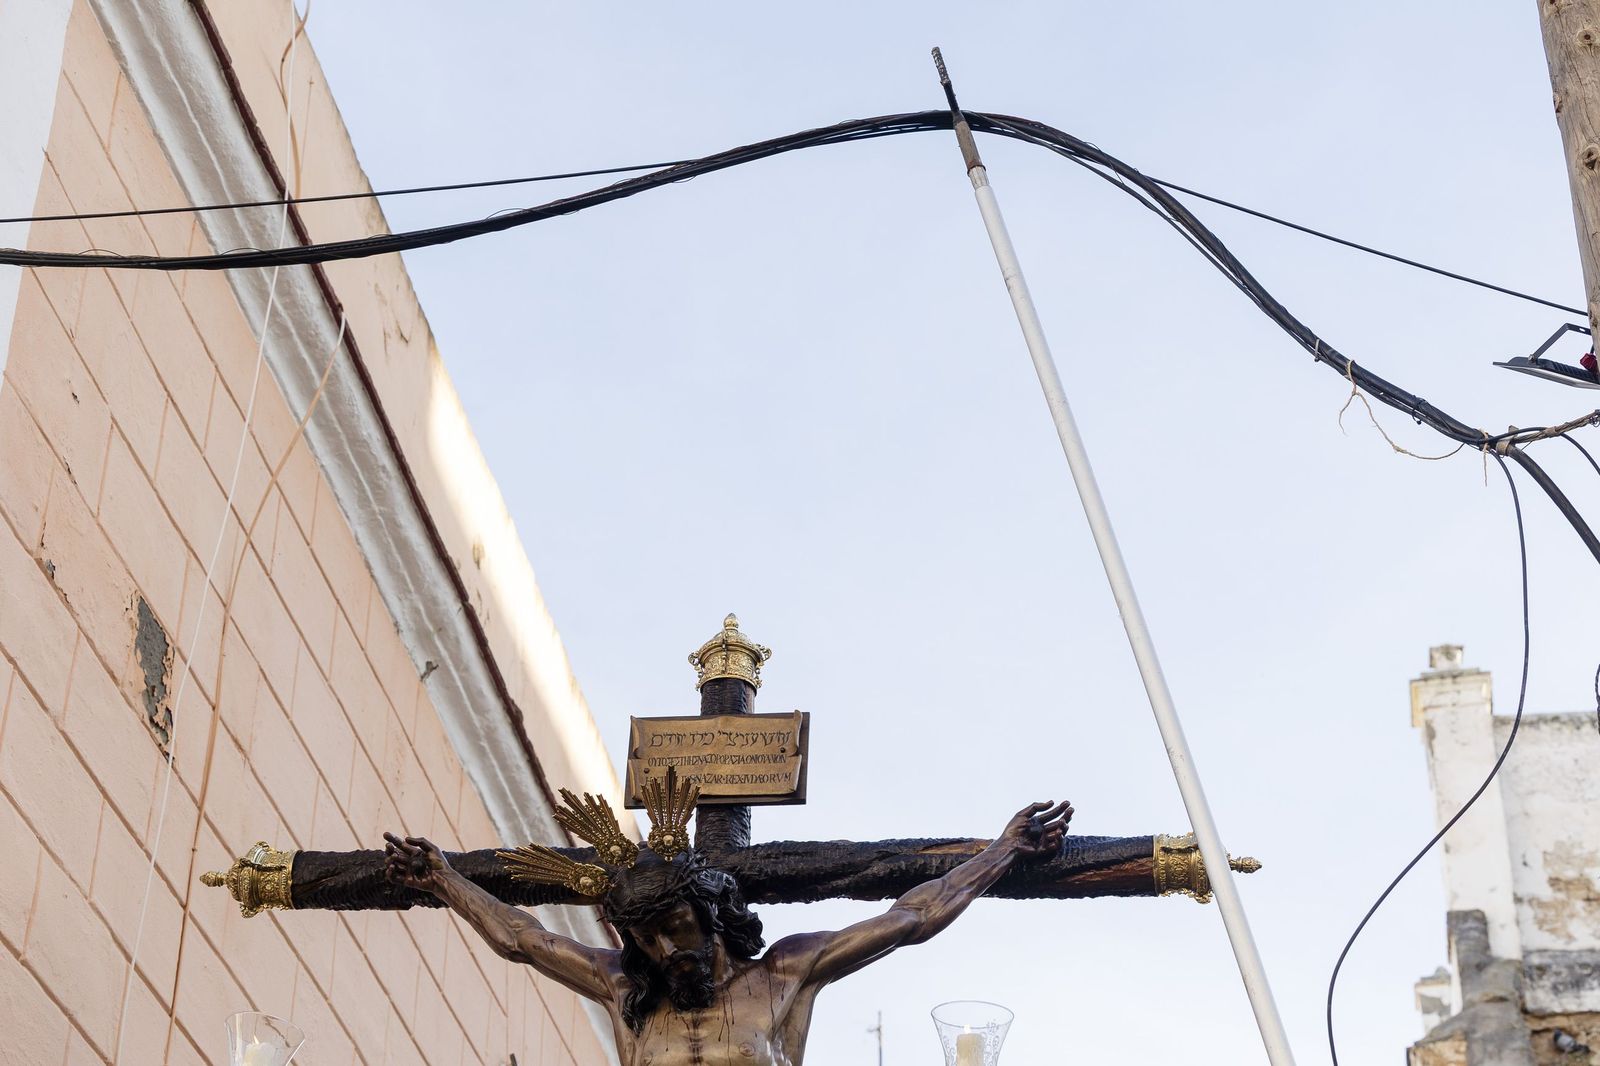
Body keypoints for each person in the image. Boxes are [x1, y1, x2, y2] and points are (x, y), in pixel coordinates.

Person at [384, 797, 1071, 1066]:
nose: (660, 950)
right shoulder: (627, 986)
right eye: (644, 937)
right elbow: (522, 939)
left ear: (709, 912)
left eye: (672, 927)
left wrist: (1002, 851)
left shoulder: (786, 972)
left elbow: (909, 918)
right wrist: (443, 879)